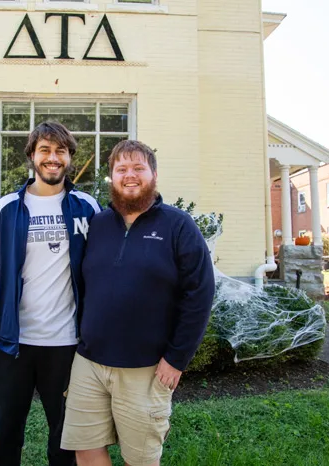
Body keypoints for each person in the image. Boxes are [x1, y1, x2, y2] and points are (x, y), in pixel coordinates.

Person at [61, 140, 215, 466]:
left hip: (146, 369)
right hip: (89, 362)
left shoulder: (178, 226)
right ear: (112, 178)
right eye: (121, 169)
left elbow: (199, 294)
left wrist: (177, 358)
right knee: (85, 449)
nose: (129, 176)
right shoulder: (97, 225)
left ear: (153, 175)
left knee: (140, 459)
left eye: (138, 168)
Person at [0, 121, 100, 466]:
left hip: (68, 345)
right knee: (6, 437)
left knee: (67, 440)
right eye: (45, 150)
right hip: (12, 343)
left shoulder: (88, 208)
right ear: (32, 156)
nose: (52, 158)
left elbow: (106, 272)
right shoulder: (5, 210)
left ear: (69, 158)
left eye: (60, 151)